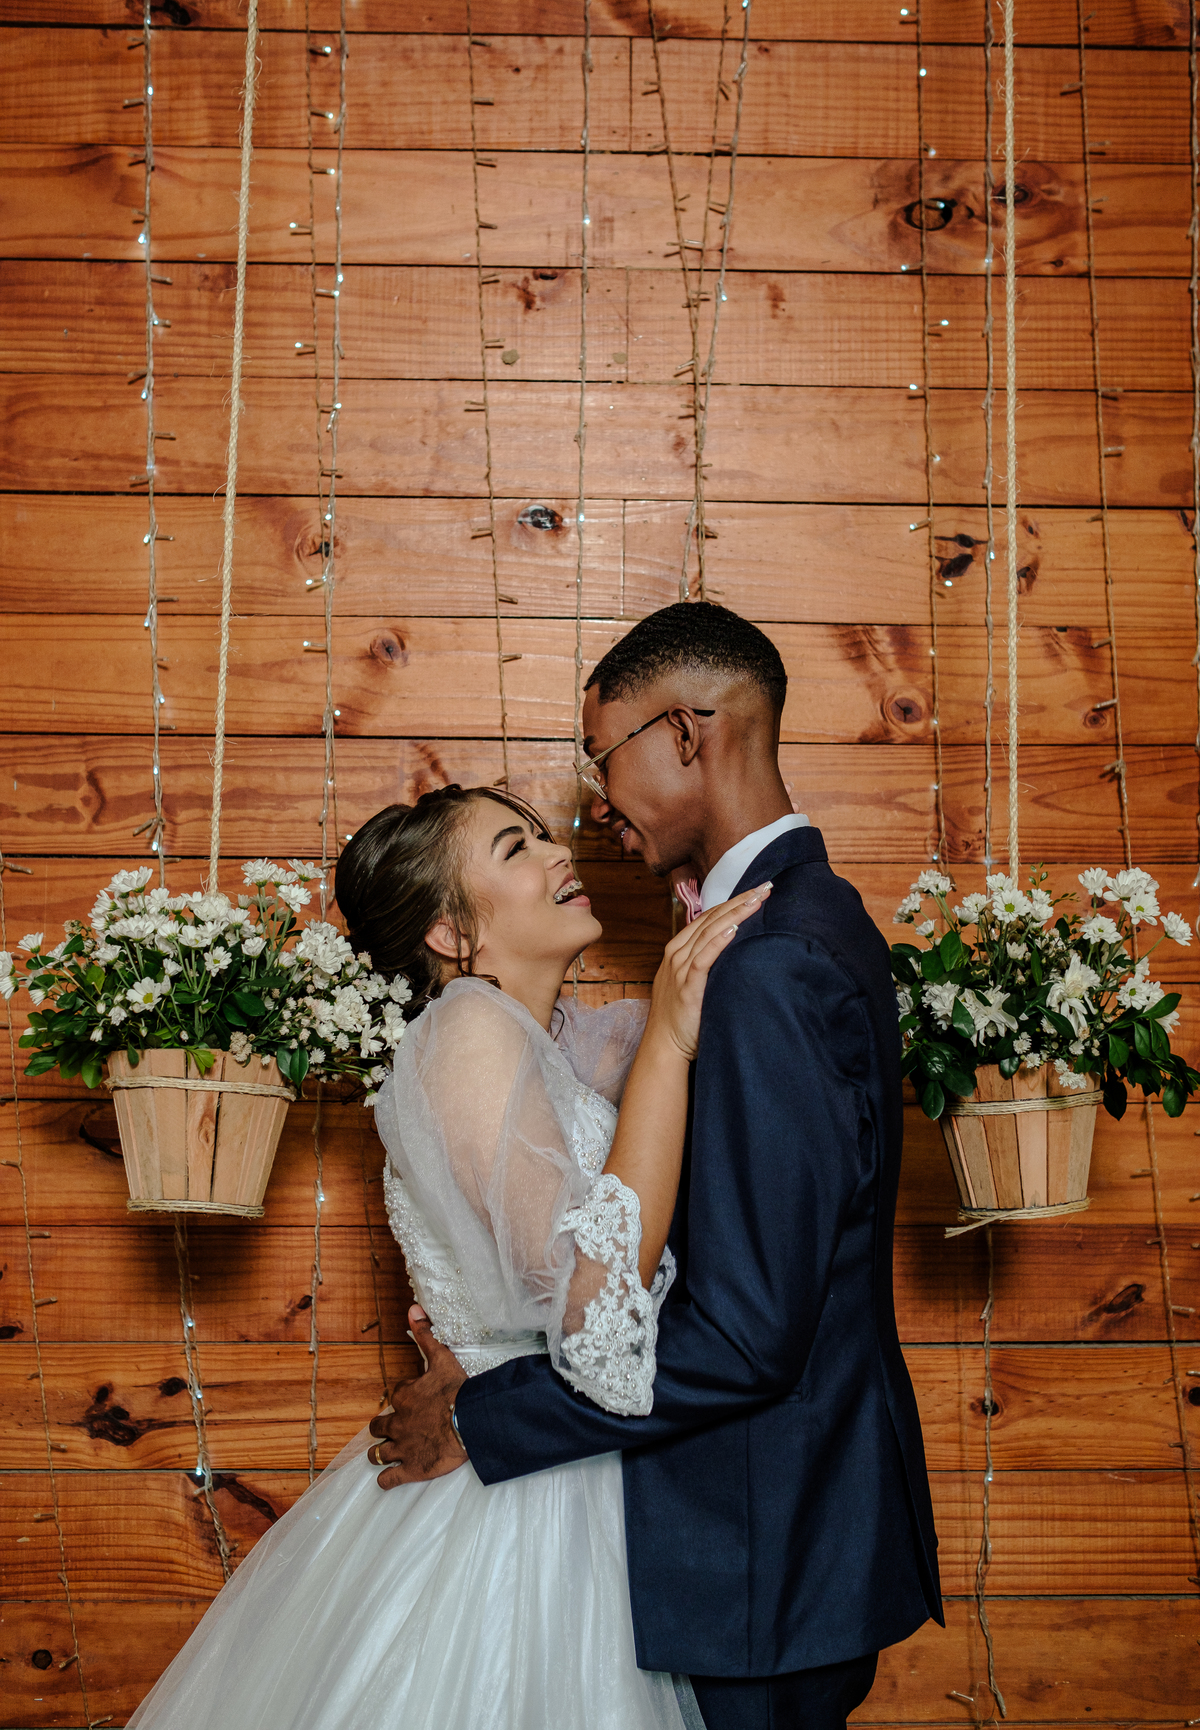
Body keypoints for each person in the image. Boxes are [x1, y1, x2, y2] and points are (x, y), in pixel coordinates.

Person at [370, 601, 943, 1730]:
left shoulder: (765, 964)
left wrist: (482, 1415)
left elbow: (744, 1337)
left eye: (601, 756)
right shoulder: (793, 927)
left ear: (684, 733)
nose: (589, 807)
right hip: (737, 1537)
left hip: (757, 1548)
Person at [125, 778, 767, 1730]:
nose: (558, 853)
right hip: (521, 1499)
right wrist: (674, 1037)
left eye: (543, 835)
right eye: (516, 848)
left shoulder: (555, 1045)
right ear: (450, 933)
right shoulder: (467, 1031)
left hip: (572, 1452)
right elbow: (594, 1316)